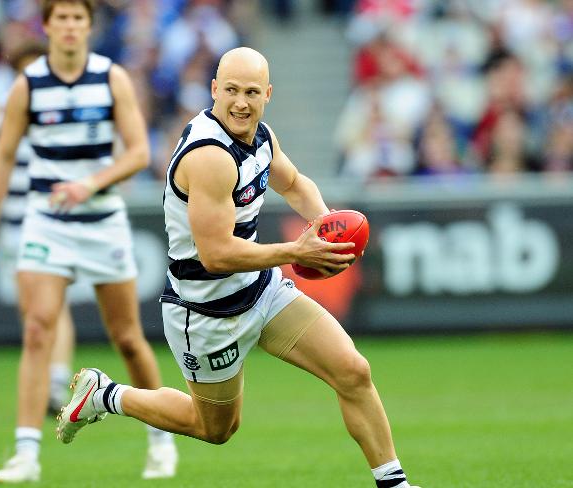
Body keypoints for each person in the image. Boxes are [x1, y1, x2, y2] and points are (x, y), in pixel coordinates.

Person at [57, 47, 420, 488]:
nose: (240, 102)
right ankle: (106, 395)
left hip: (259, 289)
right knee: (215, 429)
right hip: (206, 313)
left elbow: (294, 183)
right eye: (230, 90)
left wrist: (326, 231)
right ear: (214, 90)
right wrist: (296, 251)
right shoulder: (208, 156)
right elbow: (217, 255)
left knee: (353, 371)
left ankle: (394, 484)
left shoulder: (262, 137)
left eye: (251, 92)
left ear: (268, 94)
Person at [0, 0, 177, 483]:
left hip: (102, 219)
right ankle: (26, 454)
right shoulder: (27, 85)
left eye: (77, 18)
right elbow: (1, 159)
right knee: (38, 328)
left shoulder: (111, 78)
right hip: (46, 221)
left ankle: (161, 437)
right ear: (46, 26)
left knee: (127, 338)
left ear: (88, 25)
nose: (68, 26)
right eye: (59, 18)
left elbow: (140, 152)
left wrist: (92, 183)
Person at [0, 40, 75, 416]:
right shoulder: (1, 112)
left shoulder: (64, 109)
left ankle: (57, 384)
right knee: (30, 308)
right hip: (13, 221)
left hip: (52, 219)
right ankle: (47, 380)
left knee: (54, 303)